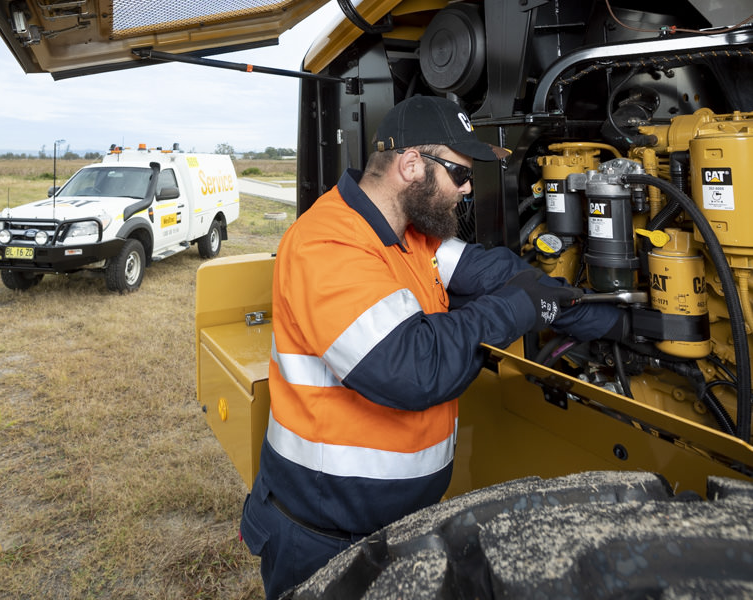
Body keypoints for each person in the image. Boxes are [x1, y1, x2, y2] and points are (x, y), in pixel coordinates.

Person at [240, 95, 623, 599]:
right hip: (322, 539)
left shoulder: (412, 234)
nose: (467, 190)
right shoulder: (325, 242)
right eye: (460, 175)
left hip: (399, 526)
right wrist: (519, 309)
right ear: (412, 165)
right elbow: (412, 367)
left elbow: (497, 273)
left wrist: (596, 311)